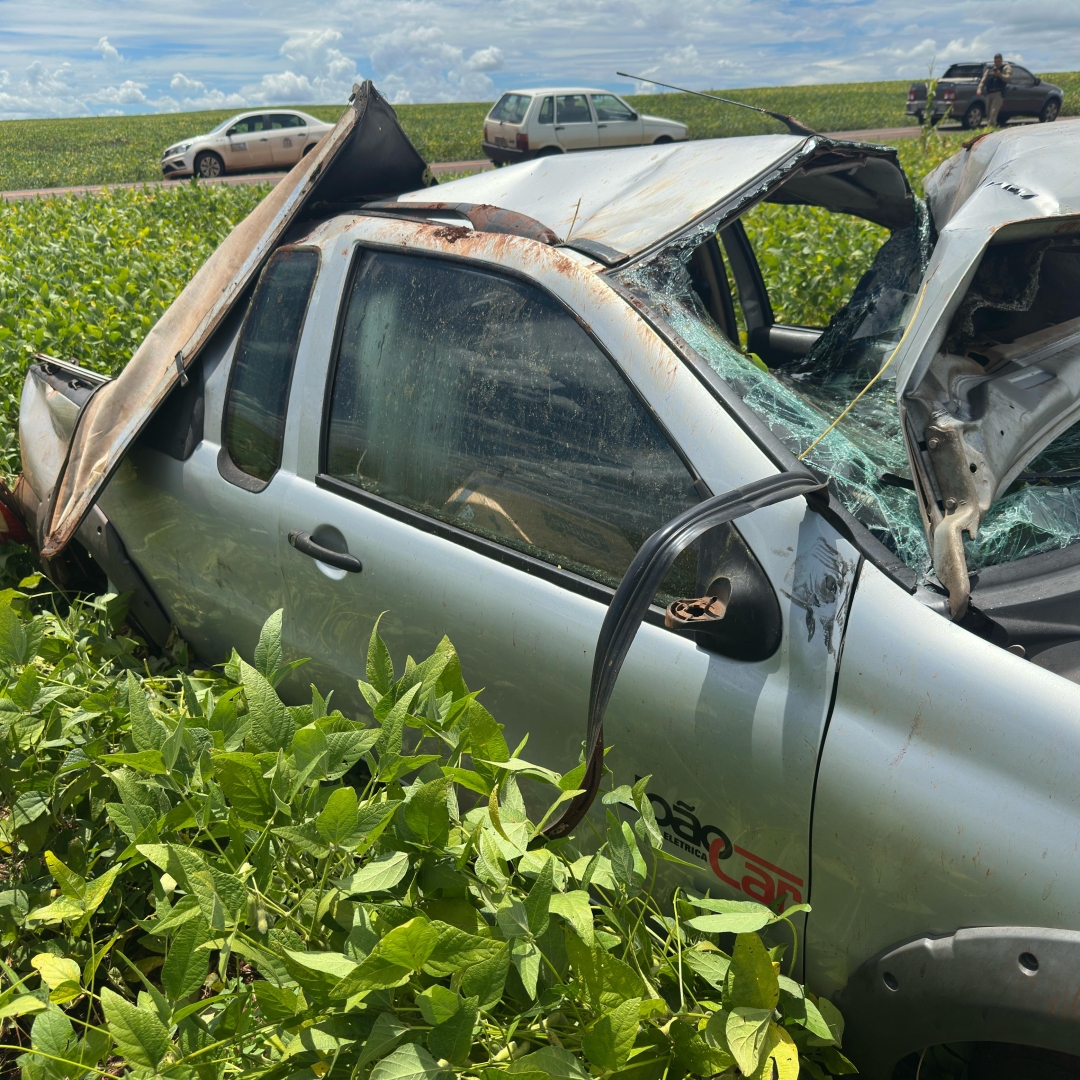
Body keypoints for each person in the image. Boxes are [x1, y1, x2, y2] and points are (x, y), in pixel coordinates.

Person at [977, 54, 1012, 126]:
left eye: (999, 61)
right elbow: (983, 80)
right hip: (989, 93)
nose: (997, 63)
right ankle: (989, 126)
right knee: (988, 112)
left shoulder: (1005, 68)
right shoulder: (990, 69)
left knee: (993, 112)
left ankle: (991, 127)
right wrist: (979, 89)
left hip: (998, 93)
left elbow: (1007, 78)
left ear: (1001, 61)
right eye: (996, 61)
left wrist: (1000, 75)